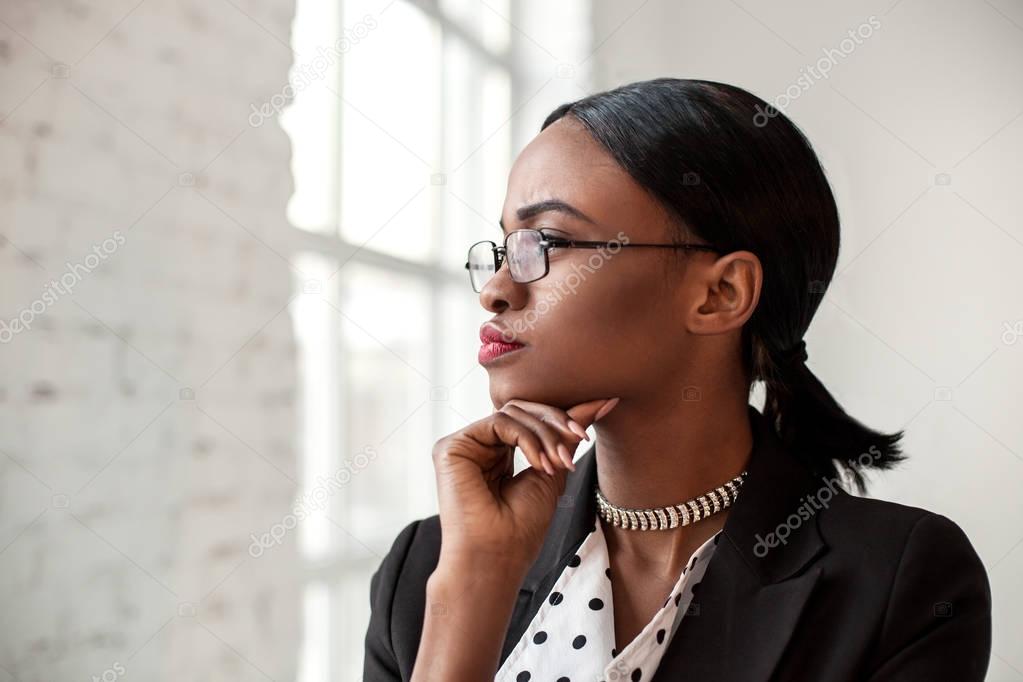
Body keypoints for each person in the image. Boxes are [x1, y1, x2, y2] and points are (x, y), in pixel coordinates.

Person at [362, 78, 992, 681]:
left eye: (546, 242)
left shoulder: (897, 582)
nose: (496, 290)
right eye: (504, 246)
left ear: (721, 293)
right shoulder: (431, 566)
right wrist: (474, 588)